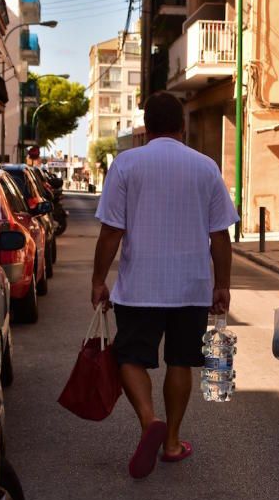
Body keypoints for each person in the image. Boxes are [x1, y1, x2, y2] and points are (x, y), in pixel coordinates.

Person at [91, 91, 239, 479]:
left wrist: (98, 279)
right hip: (191, 286)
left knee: (130, 357)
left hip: (139, 285)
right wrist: (222, 285)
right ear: (182, 126)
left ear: (146, 126)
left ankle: (147, 420)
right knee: (180, 361)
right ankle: (172, 442)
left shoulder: (126, 164)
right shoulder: (205, 167)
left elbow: (111, 231)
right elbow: (220, 235)